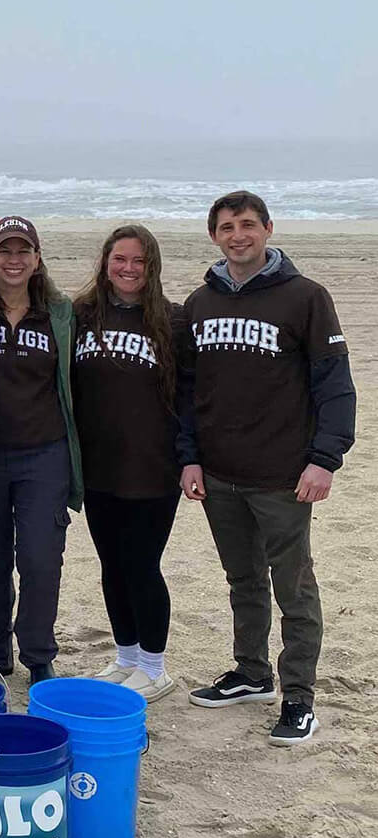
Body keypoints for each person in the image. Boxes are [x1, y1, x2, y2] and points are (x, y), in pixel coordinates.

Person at [179, 190, 355, 746]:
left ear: (268, 229)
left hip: (284, 475)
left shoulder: (306, 298)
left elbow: (335, 386)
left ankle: (299, 697)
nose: (238, 235)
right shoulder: (198, 304)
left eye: (248, 225)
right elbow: (187, 394)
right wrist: (189, 456)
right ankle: (252, 673)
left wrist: (325, 460)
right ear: (214, 236)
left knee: (294, 587)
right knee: (243, 580)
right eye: (227, 226)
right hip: (220, 474)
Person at [0, 216, 83, 686]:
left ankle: (38, 655)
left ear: (37, 259)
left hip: (44, 455)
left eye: (23, 252)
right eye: (5, 251)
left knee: (39, 558)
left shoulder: (59, 311)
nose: (14, 261)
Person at [72, 225, 182, 701]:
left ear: (151, 266)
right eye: (120, 259)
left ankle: (155, 668)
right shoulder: (81, 315)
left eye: (139, 261)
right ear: (105, 262)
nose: (129, 269)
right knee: (111, 564)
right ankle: (126, 657)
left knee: (141, 564)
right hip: (98, 467)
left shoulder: (172, 322)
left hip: (152, 467)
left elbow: (193, 396)